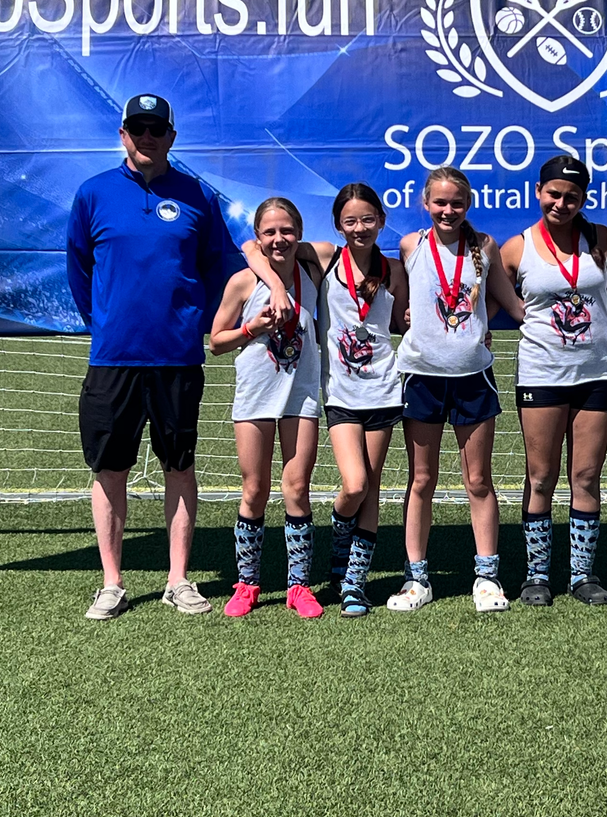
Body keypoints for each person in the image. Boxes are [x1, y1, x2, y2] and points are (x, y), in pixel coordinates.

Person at [66, 93, 243, 620]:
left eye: (156, 129)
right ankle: (112, 583)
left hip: (177, 358)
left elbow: (224, 269)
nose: (146, 137)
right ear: (123, 134)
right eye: (136, 128)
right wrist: (105, 324)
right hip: (113, 358)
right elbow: (79, 270)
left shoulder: (197, 197)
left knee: (180, 466)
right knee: (109, 468)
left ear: (171, 137)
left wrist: (201, 323)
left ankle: (178, 580)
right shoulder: (93, 194)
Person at [245, 182, 408, 618]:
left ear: (382, 222)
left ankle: (352, 582)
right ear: (338, 225)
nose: (360, 228)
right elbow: (251, 246)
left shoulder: (393, 268)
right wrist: (277, 292)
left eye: (368, 220)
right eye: (351, 221)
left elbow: (404, 321)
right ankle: (339, 535)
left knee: (370, 489)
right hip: (338, 393)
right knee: (353, 484)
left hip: (384, 389)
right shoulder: (323, 257)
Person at [501, 155, 607, 607]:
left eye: (572, 196)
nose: (561, 203)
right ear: (538, 192)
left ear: (584, 199)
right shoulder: (516, 248)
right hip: (542, 372)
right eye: (554, 194)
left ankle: (583, 574)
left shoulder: (601, 239)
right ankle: (536, 575)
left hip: (596, 372)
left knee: (586, 475)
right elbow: (483, 301)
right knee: (541, 477)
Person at [390, 166, 526, 613]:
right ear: (425, 203)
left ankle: (487, 578)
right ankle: (417, 580)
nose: (448, 210)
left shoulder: (483, 246)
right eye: (440, 202)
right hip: (422, 375)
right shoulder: (411, 245)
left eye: (457, 203)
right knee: (422, 480)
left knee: (478, 480)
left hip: (473, 376)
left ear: (468, 205)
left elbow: (509, 300)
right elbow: (397, 308)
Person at [212, 198, 326, 619]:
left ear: (299, 232)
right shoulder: (243, 283)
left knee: (297, 488)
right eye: (269, 232)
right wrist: (250, 328)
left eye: (287, 230)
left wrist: (283, 284)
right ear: (260, 236)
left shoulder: (313, 268)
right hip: (257, 394)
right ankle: (248, 583)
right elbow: (216, 342)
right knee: (254, 489)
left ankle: (299, 586)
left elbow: (256, 245)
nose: (279, 239)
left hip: (301, 395)